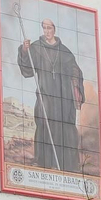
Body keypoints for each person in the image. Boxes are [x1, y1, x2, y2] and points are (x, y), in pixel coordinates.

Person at [17, 17, 85, 172]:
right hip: (46, 93)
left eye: (50, 28)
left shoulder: (65, 52)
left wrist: (76, 86)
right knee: (43, 122)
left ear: (54, 29)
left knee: (65, 128)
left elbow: (76, 71)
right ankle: (43, 161)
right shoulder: (36, 48)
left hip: (64, 97)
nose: (47, 31)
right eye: (44, 28)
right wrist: (24, 51)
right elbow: (27, 69)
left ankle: (67, 164)